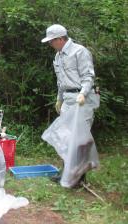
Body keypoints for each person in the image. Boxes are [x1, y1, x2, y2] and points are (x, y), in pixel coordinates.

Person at [41, 24, 100, 188]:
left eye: (51, 41)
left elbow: (88, 76)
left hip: (82, 99)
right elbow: (61, 81)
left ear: (60, 39)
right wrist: (59, 99)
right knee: (66, 137)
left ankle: (79, 177)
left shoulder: (79, 51)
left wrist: (83, 93)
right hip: (67, 99)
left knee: (80, 138)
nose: (50, 45)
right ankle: (67, 172)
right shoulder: (58, 56)